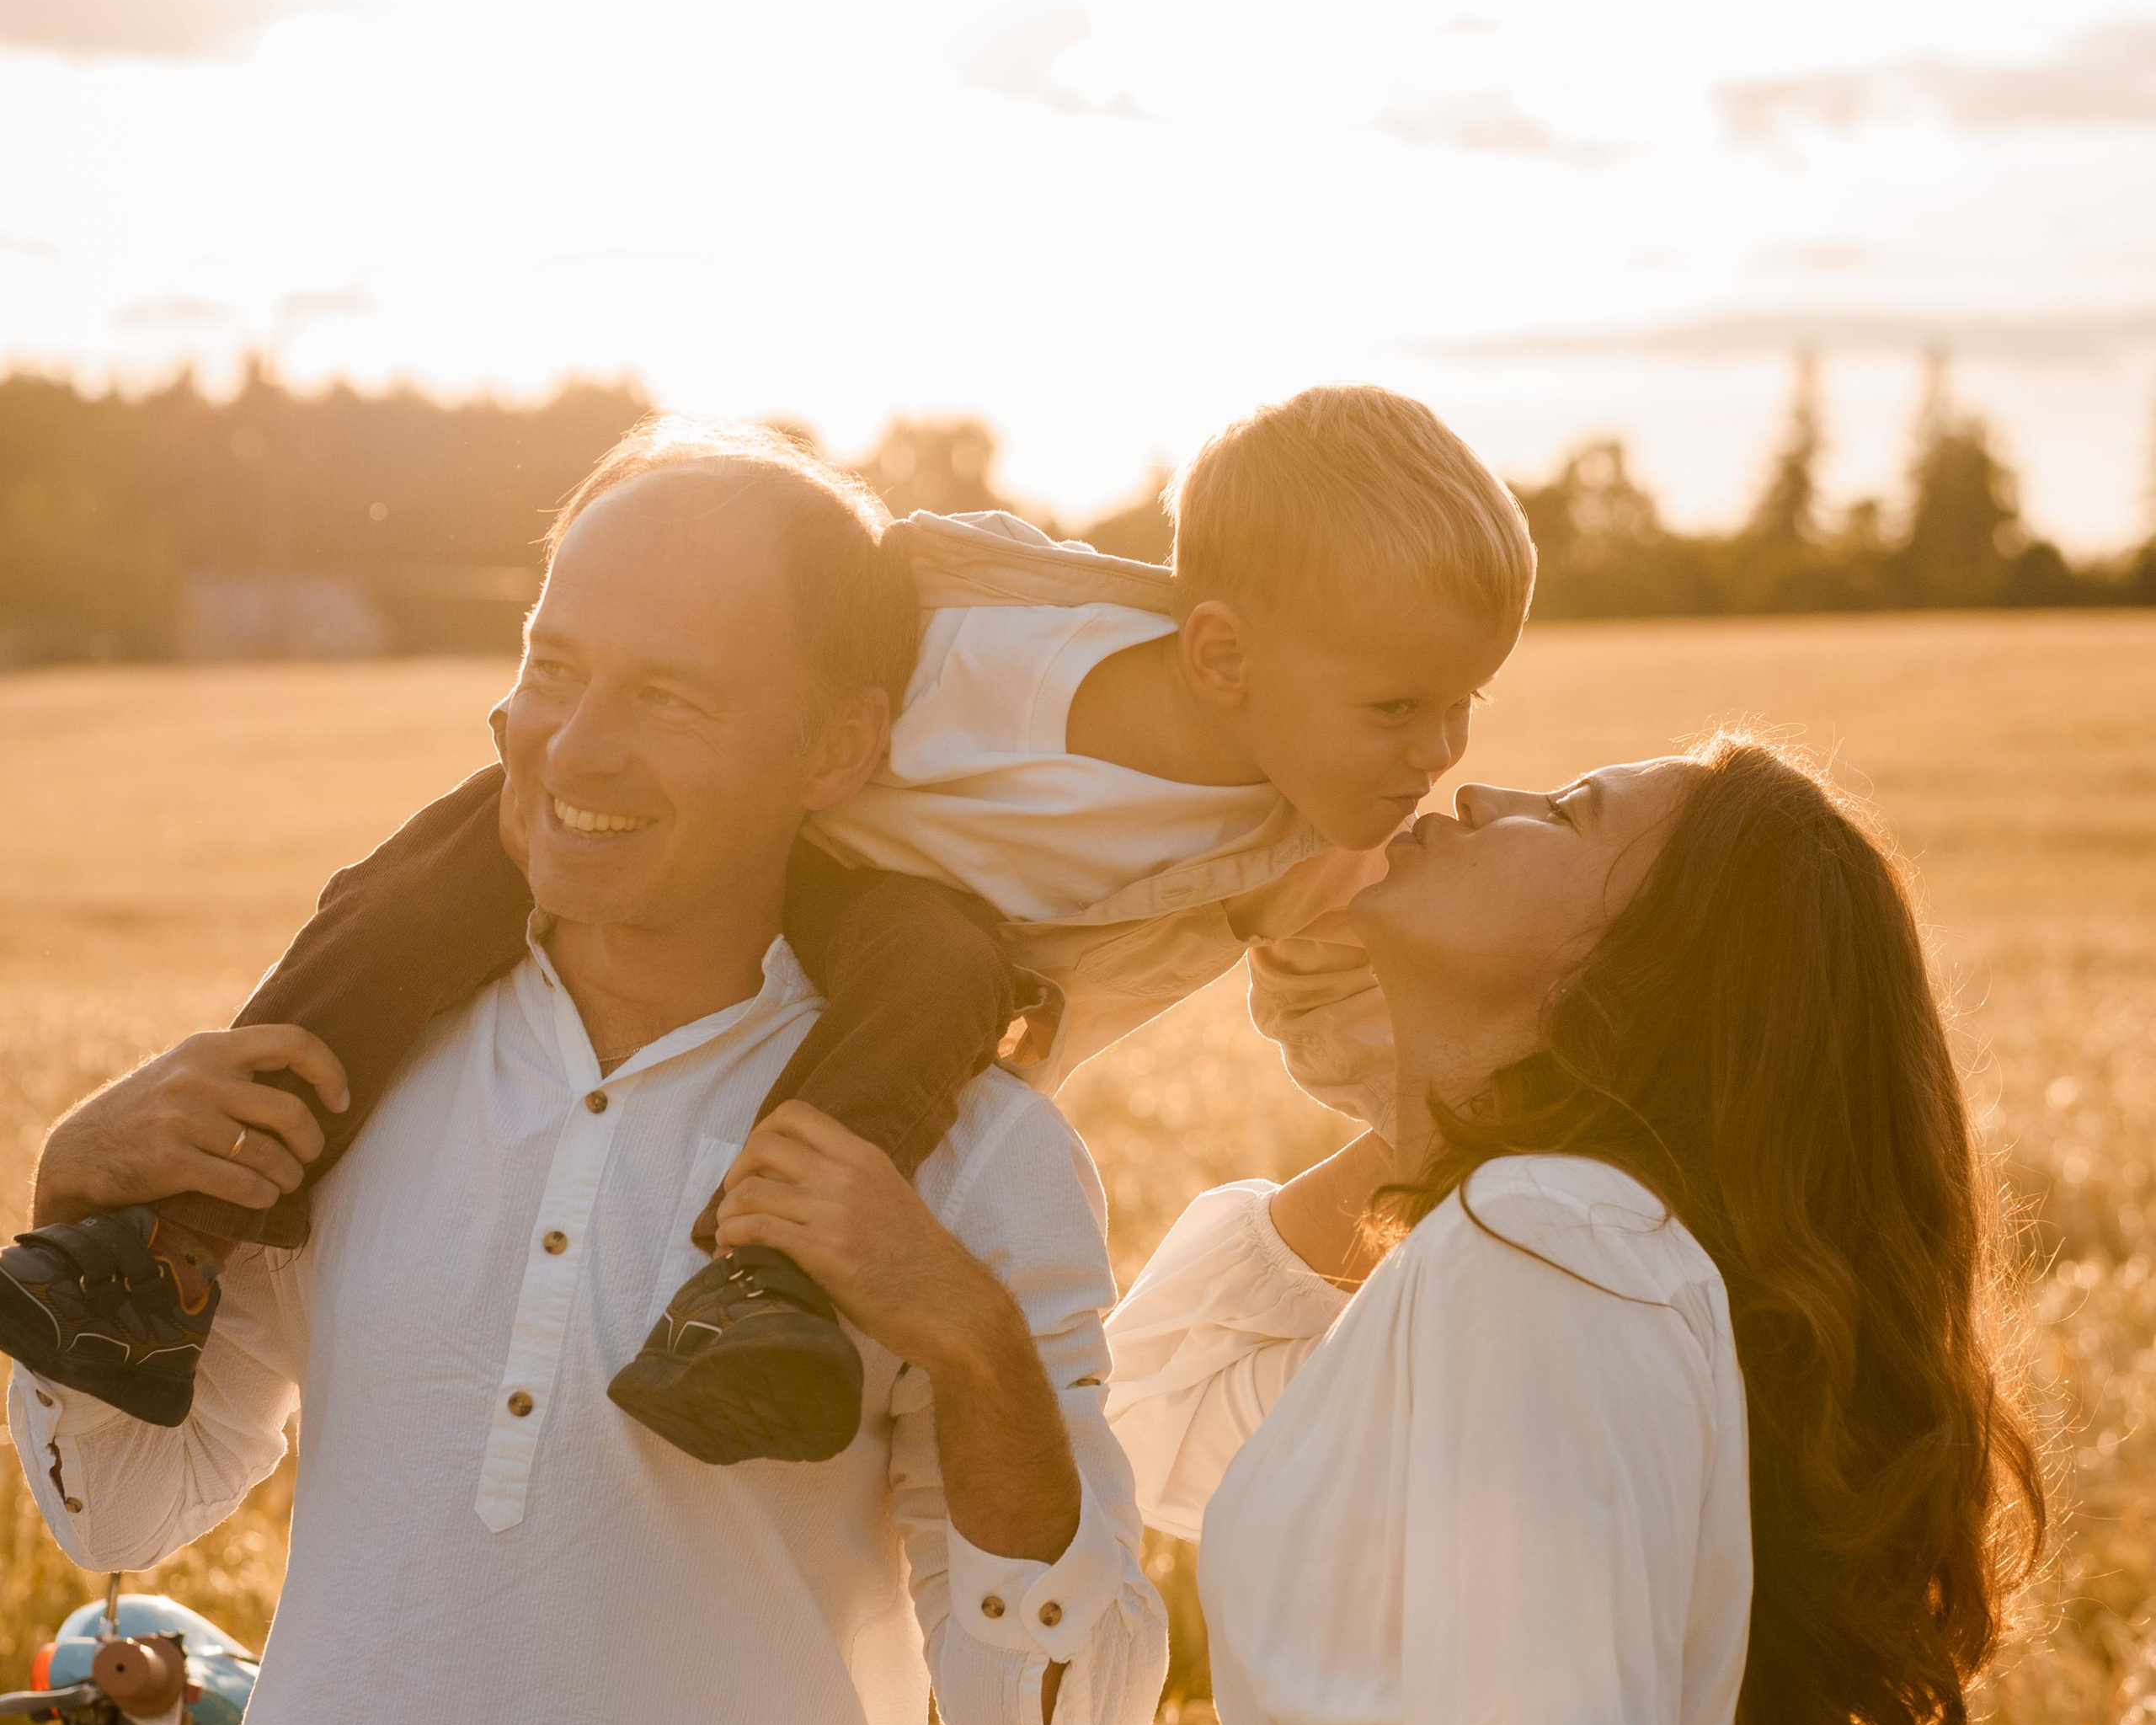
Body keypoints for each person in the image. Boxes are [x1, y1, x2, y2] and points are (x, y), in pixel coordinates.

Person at [9, 445, 1166, 1725]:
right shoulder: (352, 1066)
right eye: (553, 665)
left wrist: (968, 1338)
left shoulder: (980, 1161)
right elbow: (125, 1504)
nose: (574, 744)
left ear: (834, 752)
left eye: (669, 696)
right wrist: (68, 1196)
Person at [5, 386, 1534, 1468]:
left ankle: (757, 1298)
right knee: (432, 878)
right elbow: (766, 585)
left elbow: (1360, 1028)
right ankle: (163, 1245)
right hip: (702, 825)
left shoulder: (1295, 849)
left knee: (944, 959)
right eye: (1400, 706)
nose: (1444, 747)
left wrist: (1486, 1125)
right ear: (1217, 652)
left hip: (883, 947)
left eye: (1466, 702)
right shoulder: (995, 601)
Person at [1106, 736, 2043, 1725]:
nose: (1481, 795)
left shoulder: (1548, 1243)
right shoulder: (1522, 1241)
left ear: (1645, 972)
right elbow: (1158, 1415)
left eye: (1574, 813)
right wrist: (1451, 1105)